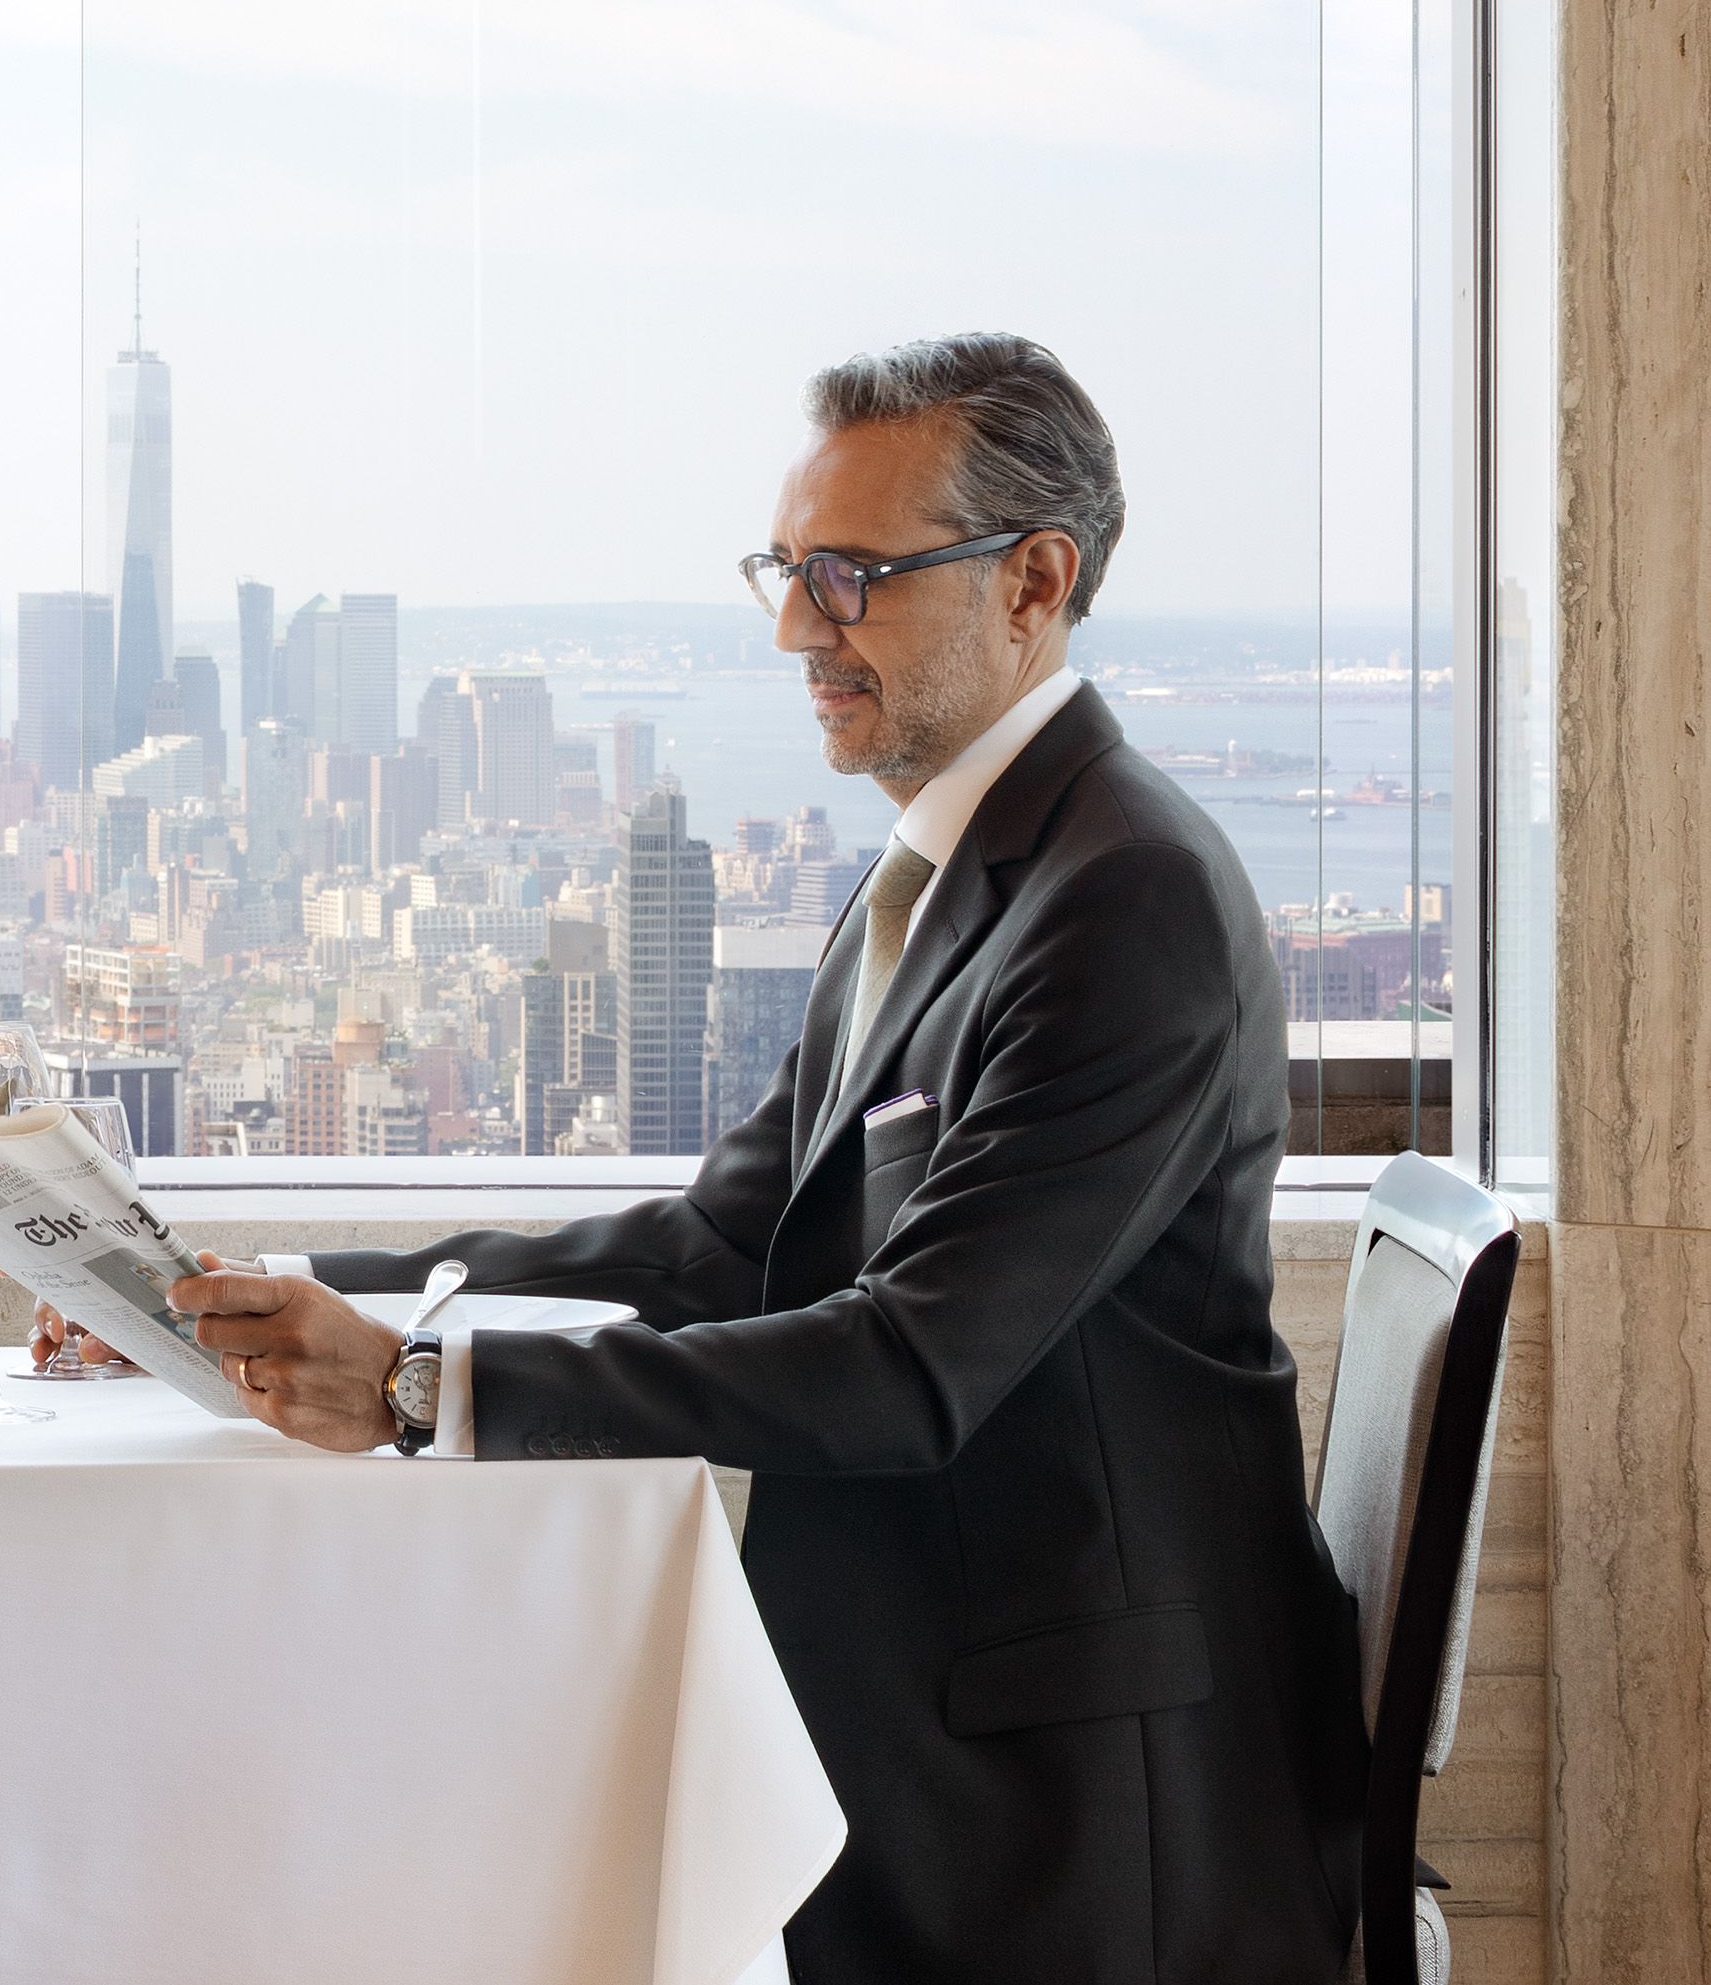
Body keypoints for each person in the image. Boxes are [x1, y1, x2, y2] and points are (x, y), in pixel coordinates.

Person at [172, 332, 1359, 1985]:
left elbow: (911, 1366)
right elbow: (725, 1243)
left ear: (1033, 578)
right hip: (919, 1695)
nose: (800, 626)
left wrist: (427, 1388)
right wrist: (295, 1296)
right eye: (789, 571)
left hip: (1062, 1798)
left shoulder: (1124, 899)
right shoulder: (945, 871)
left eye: (855, 575)